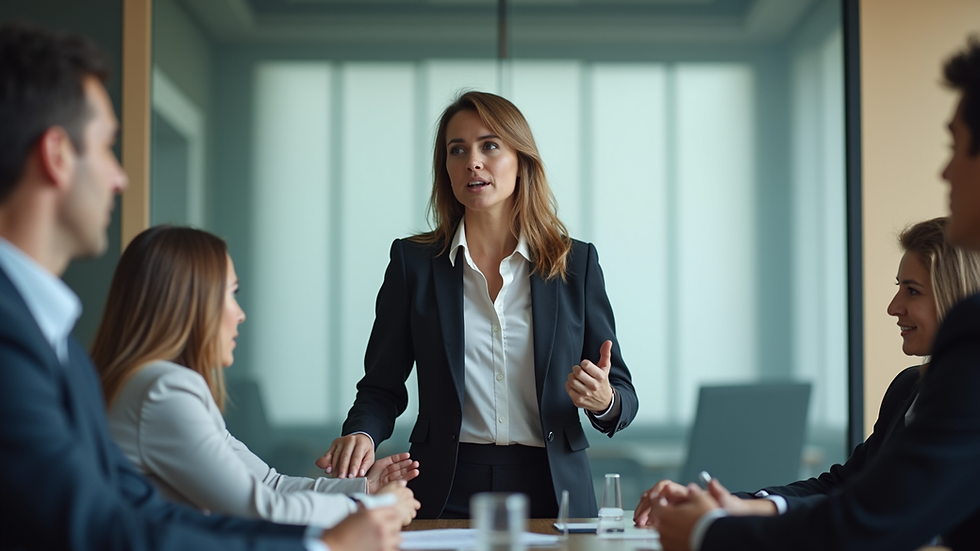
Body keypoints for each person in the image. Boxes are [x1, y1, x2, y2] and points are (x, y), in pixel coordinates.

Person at [0, 22, 401, 551]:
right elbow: (96, 529)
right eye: (106, 147)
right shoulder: (34, 346)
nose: (119, 177)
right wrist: (331, 538)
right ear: (56, 154)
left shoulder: (63, 351)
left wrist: (348, 511)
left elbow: (140, 513)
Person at [638, 37, 980, 551]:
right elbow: (848, 489)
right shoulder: (910, 388)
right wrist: (736, 505)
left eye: (957, 146)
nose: (944, 171)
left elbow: (874, 521)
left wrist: (713, 531)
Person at [317, 91, 638, 519]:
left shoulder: (575, 264)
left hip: (553, 484)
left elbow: (623, 397)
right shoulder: (414, 264)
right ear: (446, 169)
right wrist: (361, 434)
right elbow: (381, 386)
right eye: (457, 149)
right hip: (443, 484)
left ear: (521, 160)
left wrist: (604, 400)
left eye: (489, 145)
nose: (473, 161)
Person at [634, 216, 980, 522]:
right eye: (898, 288)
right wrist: (723, 504)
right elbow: (845, 485)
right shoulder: (908, 388)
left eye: (912, 291)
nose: (893, 307)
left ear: (956, 296)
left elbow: (888, 513)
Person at [90, 225, 421, 528]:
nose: (240, 314)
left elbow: (268, 484)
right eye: (230, 294)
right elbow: (259, 507)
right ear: (190, 303)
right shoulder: (163, 391)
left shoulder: (151, 384)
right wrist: (369, 506)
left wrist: (363, 487)